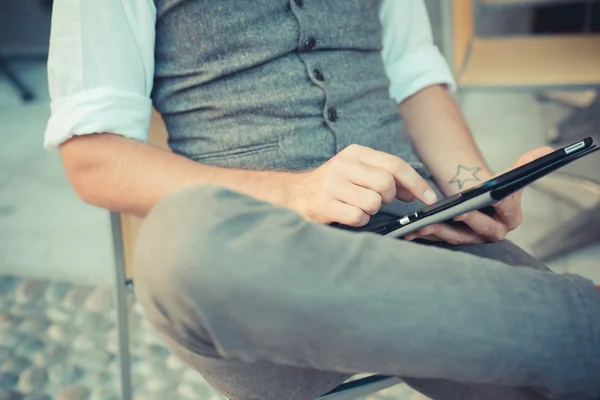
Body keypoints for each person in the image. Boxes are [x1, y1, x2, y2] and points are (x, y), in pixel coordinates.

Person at [45, 1, 600, 399]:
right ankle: (580, 321)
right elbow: (94, 158)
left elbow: (414, 78)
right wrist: (294, 191)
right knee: (182, 239)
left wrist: (474, 188)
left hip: (420, 244)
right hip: (262, 276)